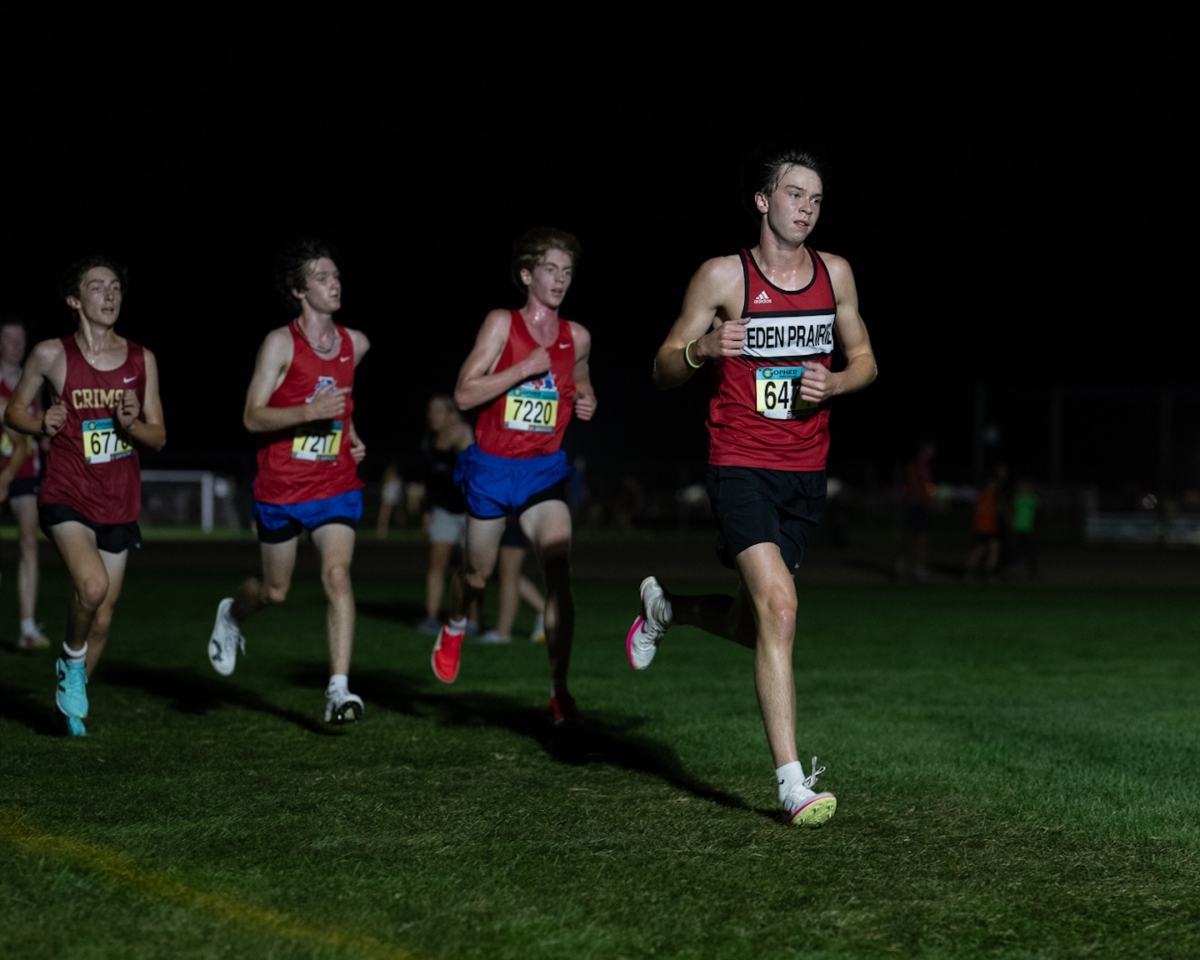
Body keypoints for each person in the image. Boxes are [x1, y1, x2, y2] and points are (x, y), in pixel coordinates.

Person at [624, 147, 877, 826]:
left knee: (752, 621)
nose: (807, 208)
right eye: (795, 194)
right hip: (737, 463)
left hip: (805, 471)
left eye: (817, 199)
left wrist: (838, 382)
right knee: (782, 609)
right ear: (763, 200)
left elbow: (866, 362)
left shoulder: (837, 275)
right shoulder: (722, 276)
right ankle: (792, 783)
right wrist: (701, 351)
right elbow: (661, 369)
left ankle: (667, 610)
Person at [430, 227, 595, 725]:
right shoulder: (502, 323)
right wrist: (522, 368)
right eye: (550, 269)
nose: (559, 280)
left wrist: (587, 396)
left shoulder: (578, 336)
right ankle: (455, 622)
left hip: (543, 469)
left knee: (558, 570)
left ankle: (558, 690)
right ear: (526, 275)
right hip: (492, 468)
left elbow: (580, 375)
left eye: (567, 272)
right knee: (477, 574)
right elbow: (463, 394)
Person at [207, 240, 369, 723]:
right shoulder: (279, 343)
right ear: (299, 290)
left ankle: (338, 691)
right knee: (275, 591)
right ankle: (233, 614)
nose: (334, 282)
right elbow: (252, 418)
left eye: (336, 274)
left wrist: (353, 435)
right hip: (281, 486)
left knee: (337, 575)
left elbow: (342, 401)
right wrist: (309, 413)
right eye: (322, 277)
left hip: (335, 482)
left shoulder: (355, 343)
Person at [4, 257, 166, 735]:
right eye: (97, 288)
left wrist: (133, 423)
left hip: (119, 500)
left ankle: (67, 702)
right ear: (75, 300)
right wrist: (40, 423)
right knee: (91, 588)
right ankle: (72, 668)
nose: (110, 295)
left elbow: (158, 437)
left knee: (100, 619)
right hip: (66, 492)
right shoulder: (50, 355)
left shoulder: (142, 360)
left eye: (115, 287)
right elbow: (14, 411)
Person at [0, 321, 51, 649]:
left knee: (29, 543)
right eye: (9, 339)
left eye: (21, 339)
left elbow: (39, 431)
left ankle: (28, 629)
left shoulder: (33, 382)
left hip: (23, 474)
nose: (16, 345)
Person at [417, 394, 478, 635]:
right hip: (443, 509)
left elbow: (472, 463)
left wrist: (462, 439)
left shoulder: (462, 433)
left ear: (451, 413)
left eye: (438, 411)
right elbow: (429, 480)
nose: (432, 416)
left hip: (469, 510)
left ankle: (472, 621)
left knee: (470, 568)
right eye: (430, 411)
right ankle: (431, 617)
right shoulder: (428, 441)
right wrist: (427, 511)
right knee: (436, 564)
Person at [478, 517, 546, 644]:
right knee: (505, 573)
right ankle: (547, 612)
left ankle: (502, 632)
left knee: (508, 575)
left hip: (515, 519)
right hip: (511, 519)